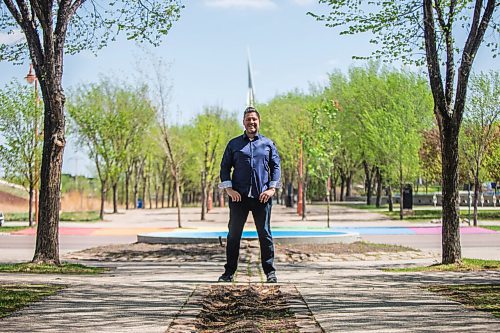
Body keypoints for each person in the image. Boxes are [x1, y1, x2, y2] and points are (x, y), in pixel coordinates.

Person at [218, 106, 281, 283]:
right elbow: (224, 167)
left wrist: (271, 189)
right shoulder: (234, 144)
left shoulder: (268, 144)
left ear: (258, 122)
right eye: (248, 119)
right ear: (243, 122)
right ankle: (229, 272)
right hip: (239, 198)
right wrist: (229, 189)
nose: (251, 122)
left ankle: (270, 272)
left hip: (262, 197)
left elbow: (276, 167)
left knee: (265, 234)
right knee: (233, 235)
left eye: (254, 119)